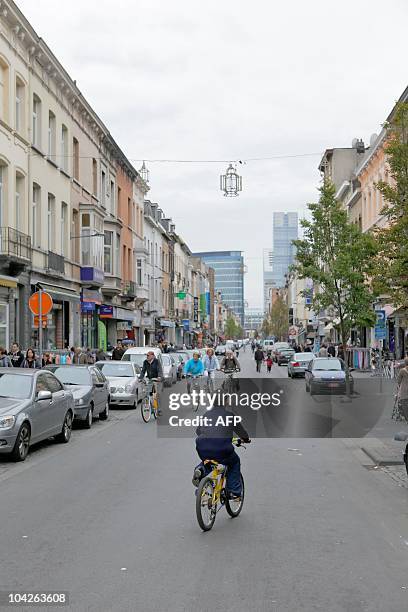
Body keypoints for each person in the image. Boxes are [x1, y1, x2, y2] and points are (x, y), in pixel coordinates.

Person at [192, 397, 251, 498]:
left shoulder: (207, 414)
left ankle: (200, 470)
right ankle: (233, 490)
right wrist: (246, 439)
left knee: (208, 461)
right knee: (234, 462)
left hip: (203, 447)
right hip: (222, 449)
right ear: (225, 402)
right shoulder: (230, 416)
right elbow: (242, 433)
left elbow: (198, 431)